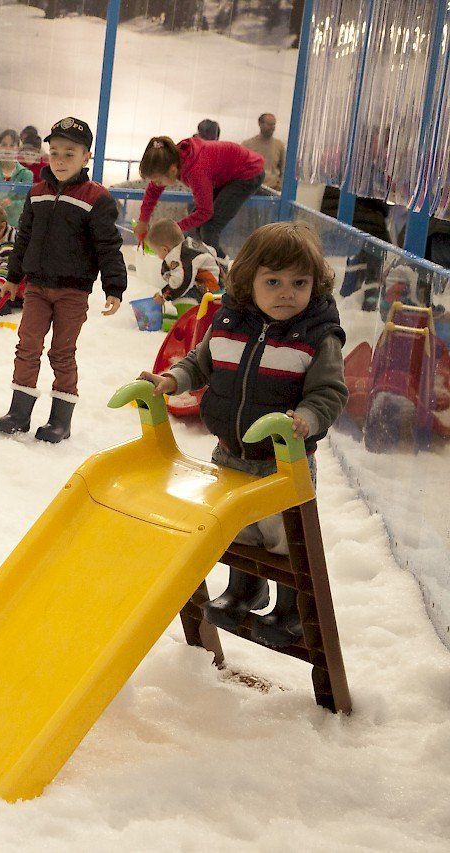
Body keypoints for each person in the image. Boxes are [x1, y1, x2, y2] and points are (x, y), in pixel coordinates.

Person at [139, 221, 348, 647]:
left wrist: (307, 416)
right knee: (239, 530)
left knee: (283, 539)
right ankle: (244, 592)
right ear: (249, 280)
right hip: (230, 453)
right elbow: (201, 363)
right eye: (273, 281)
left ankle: (290, 612)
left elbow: (329, 391)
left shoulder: (316, 336)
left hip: (282, 460)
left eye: (299, 282)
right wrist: (171, 380)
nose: (287, 292)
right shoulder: (228, 321)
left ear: (316, 285)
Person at [0, 117, 126, 443]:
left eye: (70, 153)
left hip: (72, 291)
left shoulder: (97, 198)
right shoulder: (37, 193)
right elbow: (24, 237)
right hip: (36, 287)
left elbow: (108, 245)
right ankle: (19, 413)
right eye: (55, 152)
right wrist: (13, 277)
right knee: (27, 346)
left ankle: (60, 421)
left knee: (62, 353)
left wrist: (114, 286)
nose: (61, 160)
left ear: (86, 157)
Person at [134, 135, 265, 258]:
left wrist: (174, 228)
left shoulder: (195, 171)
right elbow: (152, 192)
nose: (157, 185)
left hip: (248, 172)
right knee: (196, 224)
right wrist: (143, 222)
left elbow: (205, 212)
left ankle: (222, 271)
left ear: (172, 170)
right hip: (227, 174)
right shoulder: (171, 158)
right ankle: (197, 264)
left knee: (209, 228)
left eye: (158, 180)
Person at [145, 219, 225, 310]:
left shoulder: (179, 257)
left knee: (181, 296)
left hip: (210, 289)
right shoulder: (189, 245)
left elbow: (180, 283)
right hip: (217, 286)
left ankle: (188, 319)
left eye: (156, 252)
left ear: (164, 249)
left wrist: (163, 296)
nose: (158, 256)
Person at [242, 113, 286, 191]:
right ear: (260, 124)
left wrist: (280, 186)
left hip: (273, 189)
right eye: (269, 124)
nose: (272, 128)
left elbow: (283, 169)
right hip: (251, 189)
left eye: (274, 125)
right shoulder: (247, 145)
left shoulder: (279, 145)